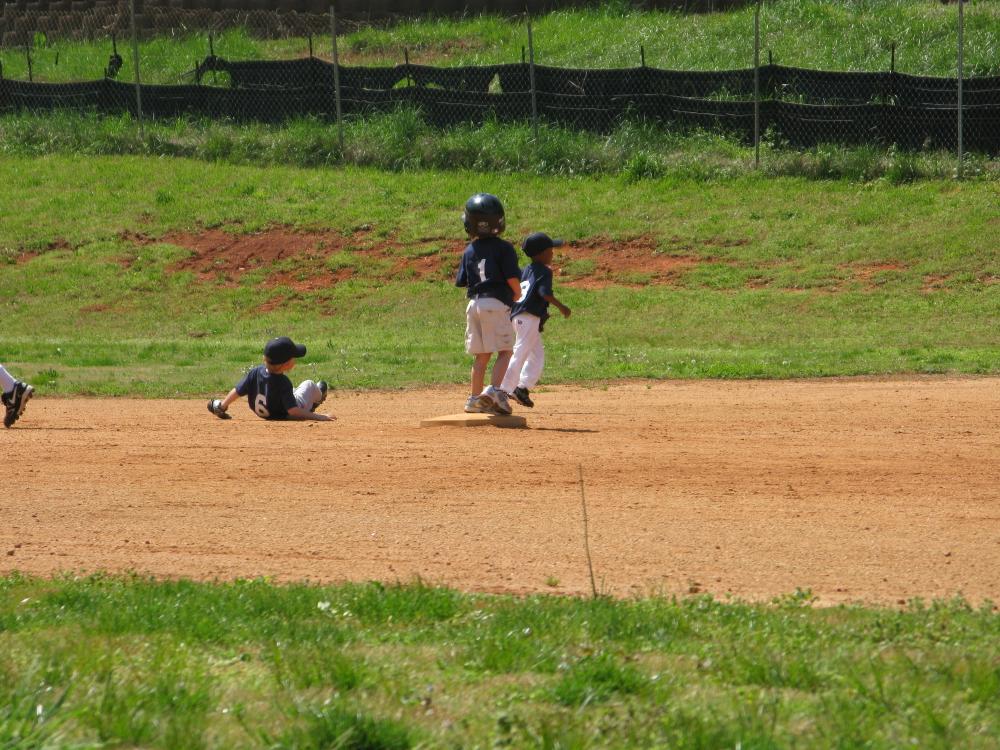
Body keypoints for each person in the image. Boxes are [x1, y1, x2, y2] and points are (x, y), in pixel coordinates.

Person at [455, 193, 522, 415]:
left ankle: (474, 399)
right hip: (495, 304)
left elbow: (463, 281)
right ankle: (495, 393)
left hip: (474, 304)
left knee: (482, 356)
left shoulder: (469, 250)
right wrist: (517, 293)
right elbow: (511, 276)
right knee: (505, 351)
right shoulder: (504, 248)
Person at [497, 232, 571, 409]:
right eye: (550, 250)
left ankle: (522, 388)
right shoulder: (544, 271)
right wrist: (562, 307)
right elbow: (544, 293)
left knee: (537, 356)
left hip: (519, 316)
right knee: (520, 352)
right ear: (541, 253)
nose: (552, 253)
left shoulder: (526, 270)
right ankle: (502, 390)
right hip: (527, 317)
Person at [207, 336, 333, 422]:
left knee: (292, 391)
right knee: (309, 384)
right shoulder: (284, 383)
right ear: (286, 364)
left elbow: (237, 391)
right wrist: (320, 417)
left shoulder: (255, 372)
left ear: (264, 358)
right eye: (293, 357)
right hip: (285, 414)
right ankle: (317, 399)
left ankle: (220, 406)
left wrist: (222, 406)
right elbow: (293, 411)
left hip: (265, 412)